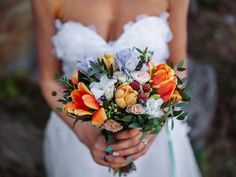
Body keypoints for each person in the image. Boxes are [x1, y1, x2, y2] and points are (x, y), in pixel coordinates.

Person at [31, 0, 202, 176]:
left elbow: (178, 70)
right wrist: (87, 135)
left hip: (152, 140)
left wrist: (153, 125)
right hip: (77, 132)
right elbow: (49, 80)